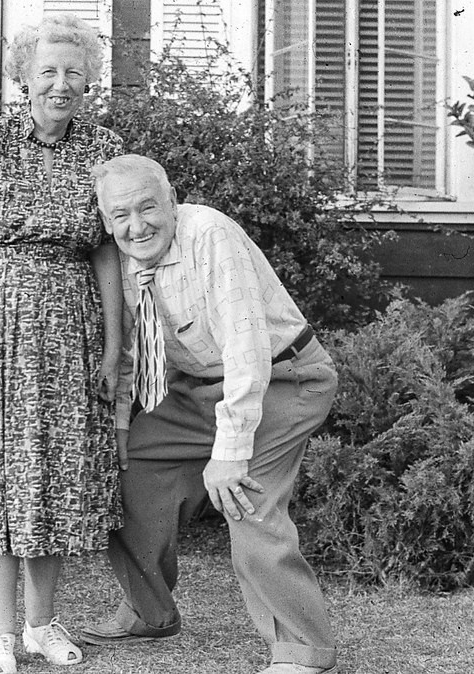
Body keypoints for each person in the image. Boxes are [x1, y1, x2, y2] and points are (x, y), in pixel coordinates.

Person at [80, 154, 340, 674]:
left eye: (148, 207)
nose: (137, 226)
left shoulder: (210, 235)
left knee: (245, 498)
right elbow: (134, 349)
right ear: (106, 220)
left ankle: (303, 652)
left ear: (172, 200)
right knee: (126, 468)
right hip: (199, 388)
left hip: (284, 379)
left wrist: (229, 452)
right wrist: (123, 426)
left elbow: (247, 348)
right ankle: (149, 613)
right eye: (121, 216)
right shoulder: (122, 258)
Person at [0, 14, 124, 674]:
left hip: (70, 332)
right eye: (48, 71)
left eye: (74, 72)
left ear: (89, 79)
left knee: (57, 476)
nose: (61, 84)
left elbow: (106, 256)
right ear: (22, 77)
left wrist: (114, 346)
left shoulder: (104, 148)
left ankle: (42, 625)